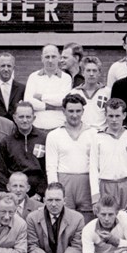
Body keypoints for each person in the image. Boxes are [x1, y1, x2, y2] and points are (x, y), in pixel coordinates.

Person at [88, 98, 127, 216]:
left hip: (126, 185)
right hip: (105, 185)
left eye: (117, 116)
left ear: (124, 115)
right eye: (111, 116)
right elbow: (93, 168)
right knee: (106, 221)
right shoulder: (97, 138)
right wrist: (95, 195)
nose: (114, 120)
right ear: (105, 115)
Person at [46, 94, 95, 223]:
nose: (74, 115)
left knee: (87, 220)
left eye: (78, 111)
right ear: (64, 111)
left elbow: (97, 164)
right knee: (65, 221)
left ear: (83, 111)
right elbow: (51, 167)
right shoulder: (54, 135)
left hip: (86, 181)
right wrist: (55, 190)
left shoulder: (93, 133)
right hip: (64, 181)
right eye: (71, 111)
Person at [0, 101, 48, 199]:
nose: (25, 120)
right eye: (21, 117)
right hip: (14, 195)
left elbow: (48, 169)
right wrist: (9, 195)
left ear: (34, 118)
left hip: (39, 196)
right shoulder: (6, 142)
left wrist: (40, 193)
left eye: (28, 117)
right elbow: (1, 173)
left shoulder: (45, 139)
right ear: (14, 118)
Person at [23, 44, 73, 131]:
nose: (50, 60)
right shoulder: (33, 77)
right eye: (47, 57)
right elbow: (28, 101)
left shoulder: (66, 78)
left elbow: (63, 100)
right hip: (37, 127)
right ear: (42, 58)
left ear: (59, 58)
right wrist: (51, 107)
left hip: (59, 127)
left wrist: (41, 97)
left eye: (53, 56)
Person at [70, 55, 110, 130]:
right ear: (82, 73)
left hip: (101, 133)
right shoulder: (74, 93)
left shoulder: (107, 92)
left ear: (99, 73)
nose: (91, 74)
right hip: (81, 133)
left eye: (94, 71)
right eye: (88, 70)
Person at [0, 52, 24, 120]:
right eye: (3, 66)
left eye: (9, 66)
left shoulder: (22, 89)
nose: (6, 69)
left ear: (13, 67)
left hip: (16, 128)